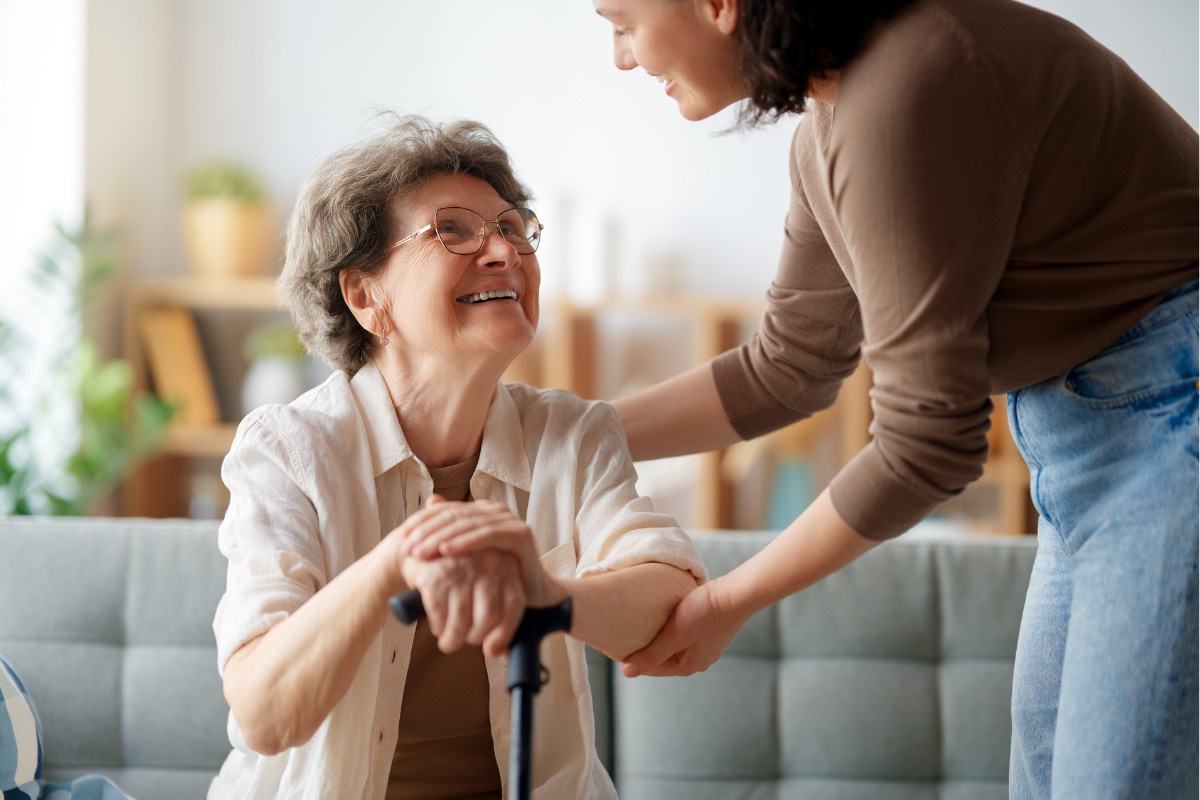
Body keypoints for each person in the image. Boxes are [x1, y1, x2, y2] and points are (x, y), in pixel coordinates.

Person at [588, 0, 1198, 797]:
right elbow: (788, 366)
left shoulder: (909, 85)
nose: (622, 58)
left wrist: (729, 601)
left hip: (1172, 423)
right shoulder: (830, 126)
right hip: (1093, 445)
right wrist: (566, 432)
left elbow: (926, 446)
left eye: (622, 21)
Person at [208, 114, 705, 800]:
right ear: (365, 297)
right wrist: (396, 561)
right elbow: (262, 715)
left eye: (512, 227)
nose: (503, 250)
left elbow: (674, 602)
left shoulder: (573, 433)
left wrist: (548, 594)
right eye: (453, 230)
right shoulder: (290, 452)